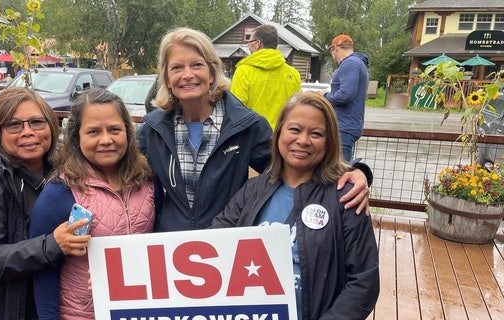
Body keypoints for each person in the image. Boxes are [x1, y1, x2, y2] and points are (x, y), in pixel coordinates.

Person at [137, 27, 371, 234]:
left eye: (197, 64)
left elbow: (296, 163)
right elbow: (117, 169)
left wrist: (356, 172)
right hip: (170, 247)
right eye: (176, 67)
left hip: (230, 240)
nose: (187, 74)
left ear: (211, 71)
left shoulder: (245, 125)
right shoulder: (153, 130)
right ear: (166, 78)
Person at [210, 92, 379, 319]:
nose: (303, 140)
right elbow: (213, 243)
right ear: (279, 133)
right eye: (295, 129)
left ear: (329, 143)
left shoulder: (346, 198)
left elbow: (363, 281)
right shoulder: (252, 191)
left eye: (316, 133)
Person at [0, 87, 88, 319]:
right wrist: (51, 244)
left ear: (51, 127)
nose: (27, 132)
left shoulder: (64, 174)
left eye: (36, 122)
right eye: (14, 125)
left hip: (48, 302)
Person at [30, 88, 155, 319]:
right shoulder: (60, 192)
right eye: (93, 132)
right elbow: (44, 268)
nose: (106, 140)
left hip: (137, 310)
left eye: (114, 130)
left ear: (128, 132)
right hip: (83, 314)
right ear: (77, 137)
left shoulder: (146, 181)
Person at [230, 24, 303, 129]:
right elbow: (298, 107)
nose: (248, 45)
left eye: (249, 42)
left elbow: (235, 109)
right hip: (282, 135)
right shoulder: (292, 73)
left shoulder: (244, 71)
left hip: (253, 136)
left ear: (258, 43)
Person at [317, 34, 369, 162]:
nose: (332, 55)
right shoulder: (357, 63)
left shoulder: (349, 63)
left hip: (344, 128)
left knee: (339, 171)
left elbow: (346, 94)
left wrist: (324, 96)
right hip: (347, 126)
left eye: (331, 51)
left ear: (335, 48)